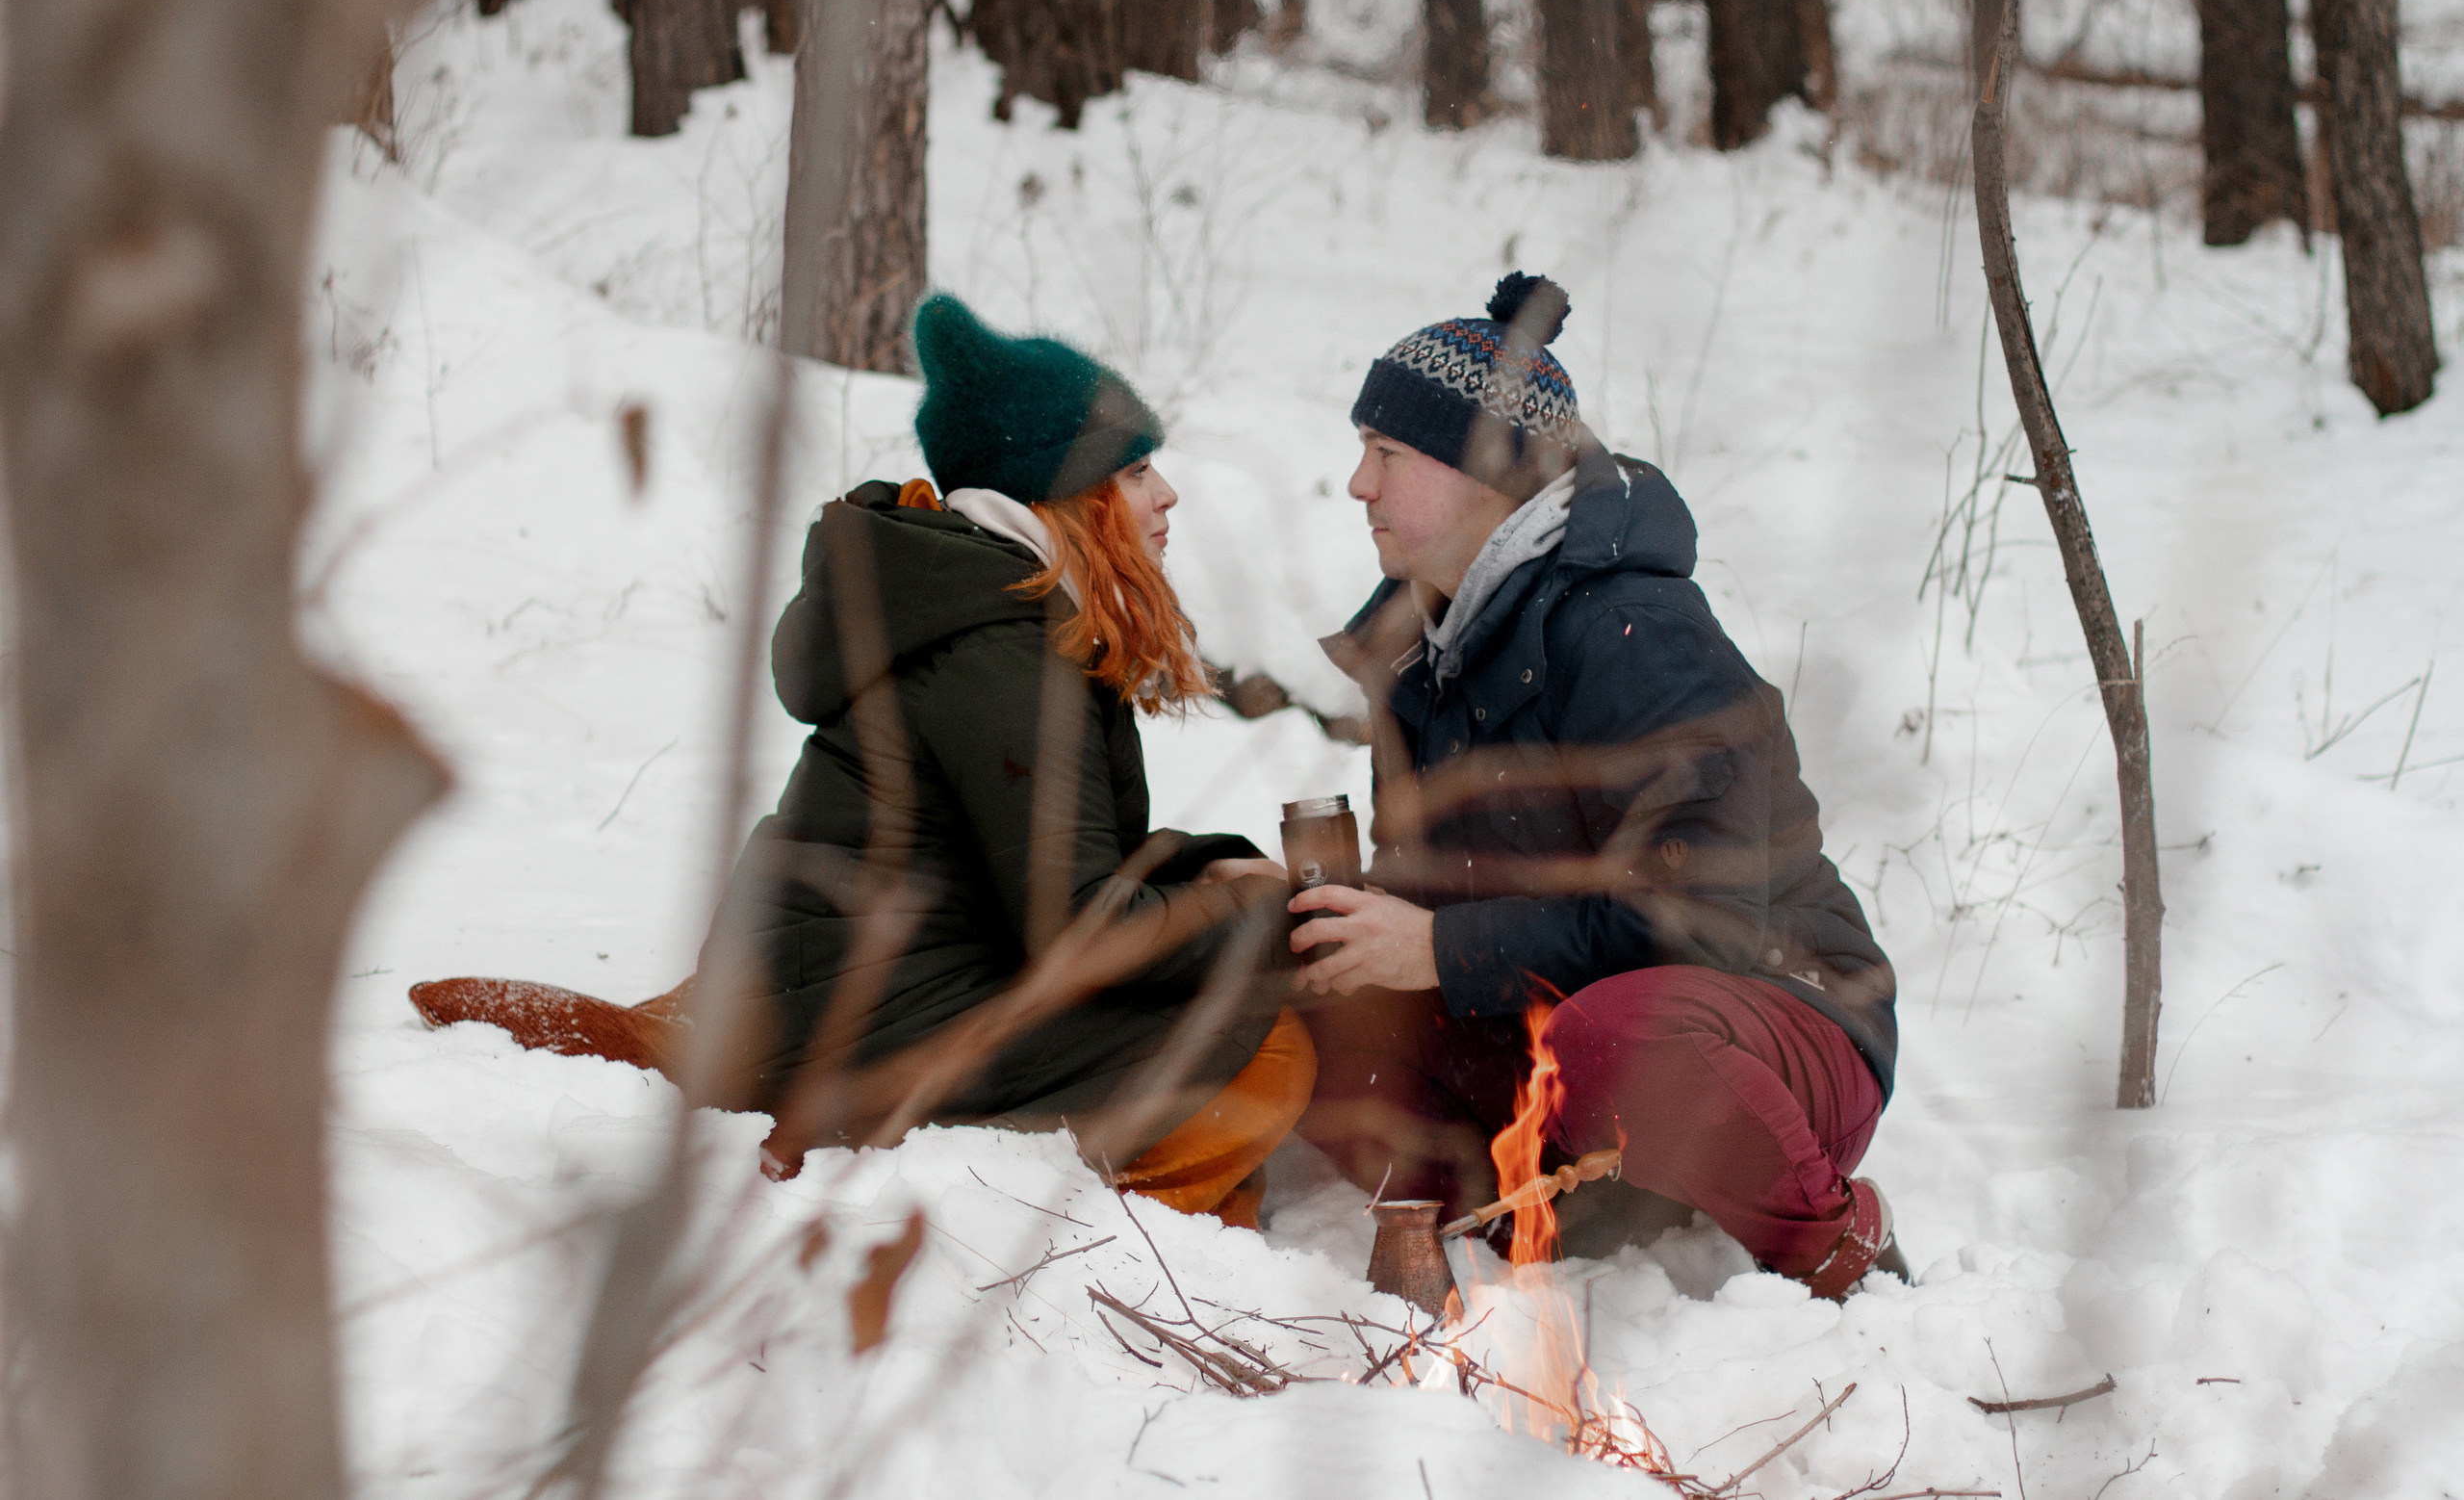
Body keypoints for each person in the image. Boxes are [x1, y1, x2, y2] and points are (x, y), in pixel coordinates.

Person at [413, 295, 1308, 1228]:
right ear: (1067, 492)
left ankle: (1192, 1213)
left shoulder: (991, 604)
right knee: (1263, 1053)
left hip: (851, 978)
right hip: (852, 1018)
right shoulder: (1004, 647)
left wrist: (1211, 873)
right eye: (1134, 469)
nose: (1166, 494)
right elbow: (1079, 927)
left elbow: (1041, 857)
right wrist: (1264, 921)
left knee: (1222, 1007)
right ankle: (1086, 1247)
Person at [1290, 272, 1905, 1297]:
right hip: (1565, 1037)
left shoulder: (1636, 632)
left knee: (1621, 1033)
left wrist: (1437, 946)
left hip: (1769, 1019)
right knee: (1297, 986)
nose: (1358, 483)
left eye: (1387, 454)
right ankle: (1556, 1202)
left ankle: (1834, 1239)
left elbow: (1700, 923)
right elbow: (1436, 898)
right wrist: (1360, 929)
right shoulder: (1418, 647)